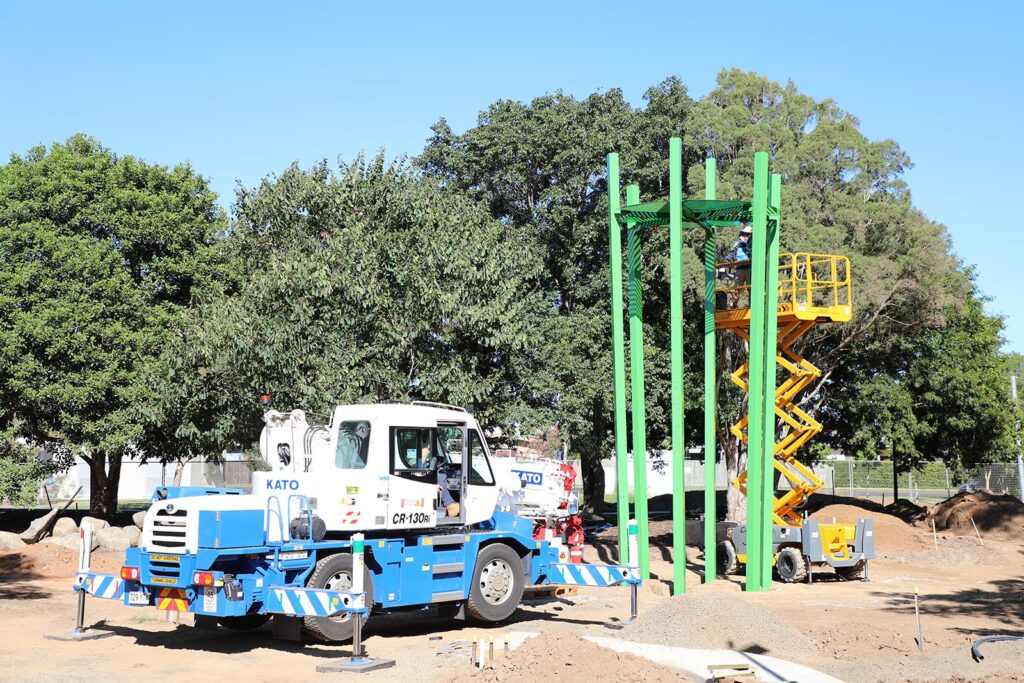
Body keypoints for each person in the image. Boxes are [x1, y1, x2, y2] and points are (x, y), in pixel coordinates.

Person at [726, 224, 753, 306]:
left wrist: (745, 245)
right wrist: (727, 259)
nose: (746, 236)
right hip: (740, 269)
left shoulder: (753, 244)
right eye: (744, 234)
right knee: (737, 289)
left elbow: (751, 253)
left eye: (748, 234)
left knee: (750, 288)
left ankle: (751, 305)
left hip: (750, 268)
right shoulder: (737, 244)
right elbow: (731, 252)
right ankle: (734, 305)